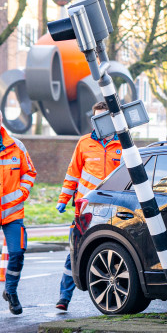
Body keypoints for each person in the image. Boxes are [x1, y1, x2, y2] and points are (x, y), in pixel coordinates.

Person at [55, 102, 122, 311]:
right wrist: (63, 199)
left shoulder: (122, 144)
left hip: (114, 208)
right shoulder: (84, 143)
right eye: (96, 119)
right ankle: (64, 297)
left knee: (114, 252)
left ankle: (114, 294)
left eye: (103, 118)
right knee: (75, 252)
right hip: (86, 210)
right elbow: (72, 174)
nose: (98, 123)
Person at [0, 105, 36, 319]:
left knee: (18, 252)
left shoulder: (16, 146)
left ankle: (10, 290)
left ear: (2, 121)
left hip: (12, 213)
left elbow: (30, 172)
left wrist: (21, 193)